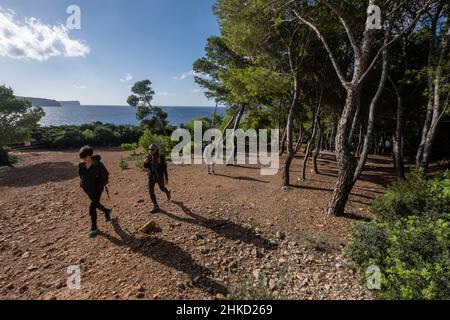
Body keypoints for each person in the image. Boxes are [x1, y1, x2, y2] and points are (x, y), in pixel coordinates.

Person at [78, 146, 112, 237]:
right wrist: (82, 184)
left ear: (89, 156)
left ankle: (94, 228)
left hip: (97, 189)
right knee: (96, 204)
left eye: (84, 157)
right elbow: (81, 176)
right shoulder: (81, 165)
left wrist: (99, 186)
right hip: (88, 190)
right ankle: (106, 211)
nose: (83, 159)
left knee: (92, 207)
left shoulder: (98, 165)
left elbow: (106, 178)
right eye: (82, 158)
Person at [144, 144, 171, 213]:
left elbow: (165, 168)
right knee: (150, 191)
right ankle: (156, 206)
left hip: (159, 176)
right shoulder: (148, 157)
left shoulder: (161, 157)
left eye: (152, 149)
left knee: (162, 188)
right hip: (151, 176)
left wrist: (166, 178)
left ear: (156, 149)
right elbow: (146, 167)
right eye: (149, 149)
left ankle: (168, 193)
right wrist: (145, 162)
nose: (150, 151)